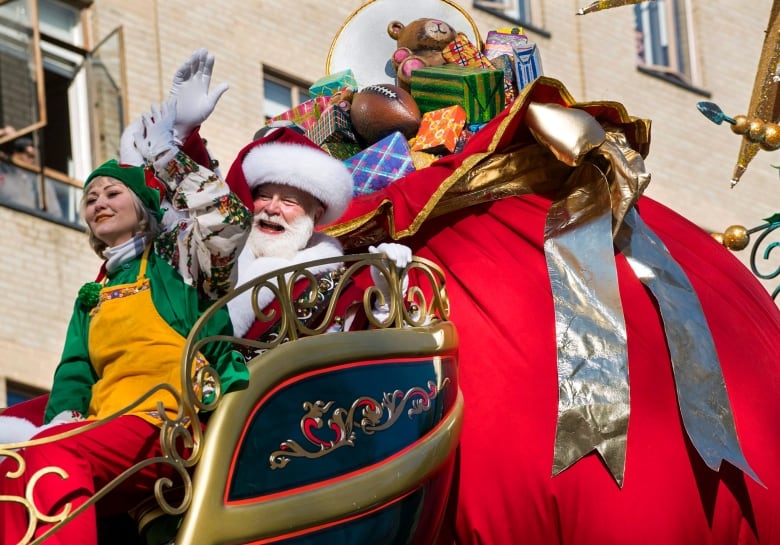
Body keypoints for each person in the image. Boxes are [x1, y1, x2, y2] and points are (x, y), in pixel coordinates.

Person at [0, 98, 252, 545]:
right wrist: (62, 419)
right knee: (15, 467)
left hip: (170, 425)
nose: (99, 202)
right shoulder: (92, 296)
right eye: (90, 198)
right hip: (106, 434)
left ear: (142, 208)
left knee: (51, 455)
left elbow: (228, 223)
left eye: (113, 193)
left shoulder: (176, 264)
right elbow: (73, 374)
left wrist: (170, 160)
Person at [223, 126, 411, 346]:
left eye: (288, 201)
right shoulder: (217, 259)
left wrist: (389, 299)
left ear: (315, 216)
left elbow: (370, 349)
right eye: (263, 196)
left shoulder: (332, 287)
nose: (272, 208)